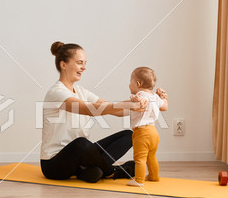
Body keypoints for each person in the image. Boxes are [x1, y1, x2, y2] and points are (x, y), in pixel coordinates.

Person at [40, 41, 145, 183]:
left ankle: (91, 172)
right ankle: (112, 172)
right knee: (81, 144)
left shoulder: (81, 91)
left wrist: (141, 104)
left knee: (128, 135)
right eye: (79, 63)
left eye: (84, 63)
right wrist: (131, 104)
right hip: (54, 164)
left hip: (82, 156)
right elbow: (89, 110)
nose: (84, 67)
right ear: (63, 65)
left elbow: (113, 109)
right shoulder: (56, 92)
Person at [126, 67, 168, 187]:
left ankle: (139, 180)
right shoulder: (155, 96)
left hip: (142, 132)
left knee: (139, 157)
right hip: (153, 132)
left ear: (138, 83)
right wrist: (164, 98)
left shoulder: (140, 95)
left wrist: (135, 101)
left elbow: (139, 106)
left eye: (130, 81)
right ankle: (154, 176)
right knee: (152, 156)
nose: (129, 84)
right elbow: (164, 107)